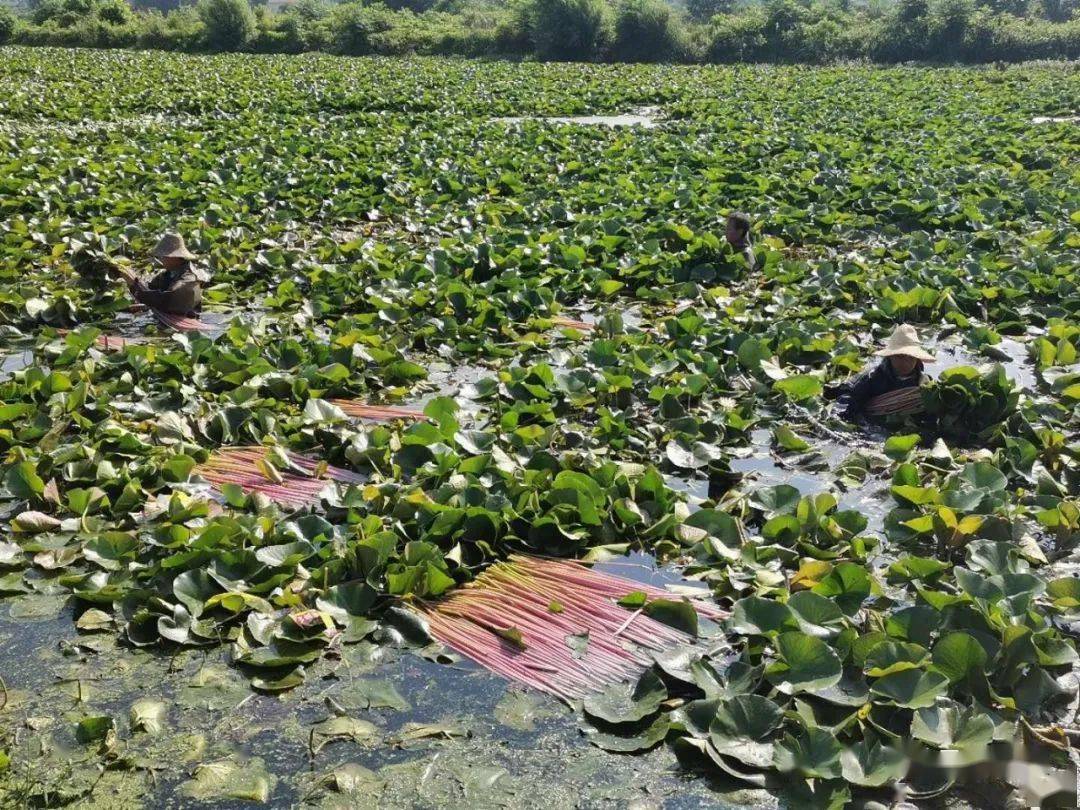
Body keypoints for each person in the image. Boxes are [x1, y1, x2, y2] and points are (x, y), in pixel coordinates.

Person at [838, 324, 934, 420]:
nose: (906, 362)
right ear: (890, 356)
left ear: (917, 358)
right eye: (900, 356)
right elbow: (849, 409)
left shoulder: (924, 384)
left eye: (911, 357)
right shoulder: (871, 379)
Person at [124, 233, 206, 315]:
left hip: (186, 316)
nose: (161, 259)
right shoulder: (168, 273)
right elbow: (151, 288)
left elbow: (168, 298)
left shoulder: (188, 279)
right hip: (168, 311)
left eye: (164, 256)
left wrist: (137, 290)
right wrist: (134, 285)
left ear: (174, 257)